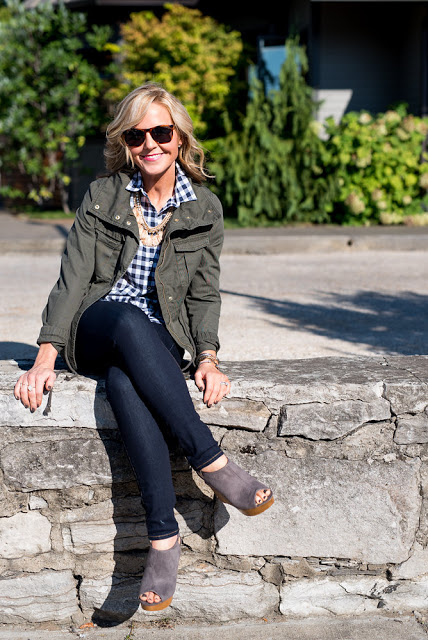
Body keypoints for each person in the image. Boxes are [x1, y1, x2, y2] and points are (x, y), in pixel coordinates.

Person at [14, 83, 274, 612]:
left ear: (180, 138)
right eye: (137, 136)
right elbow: (72, 279)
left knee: (125, 381)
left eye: (160, 132)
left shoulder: (205, 208)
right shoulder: (103, 195)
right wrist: (45, 355)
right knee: (128, 318)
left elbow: (204, 292)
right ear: (125, 143)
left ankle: (162, 539)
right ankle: (212, 461)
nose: (149, 143)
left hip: (159, 341)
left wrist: (208, 357)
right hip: (97, 323)